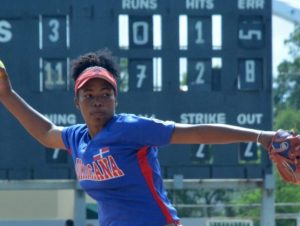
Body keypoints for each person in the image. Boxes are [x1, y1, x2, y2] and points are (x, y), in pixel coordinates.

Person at [0, 49, 290, 226]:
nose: (97, 101)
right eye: (88, 95)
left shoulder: (129, 129)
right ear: (77, 102)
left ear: (116, 100)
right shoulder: (77, 138)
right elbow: (46, 133)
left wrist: (262, 136)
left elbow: (196, 132)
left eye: (105, 94)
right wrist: (7, 94)